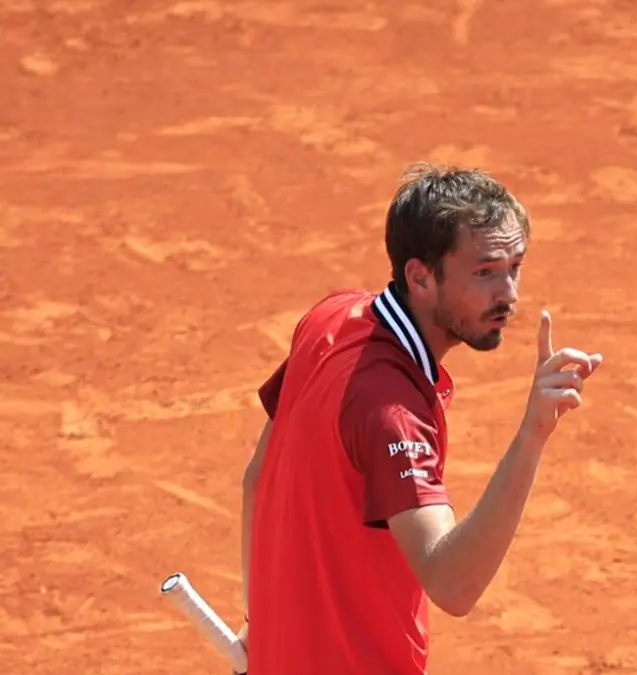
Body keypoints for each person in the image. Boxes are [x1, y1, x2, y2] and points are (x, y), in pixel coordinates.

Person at [234, 163, 604, 674]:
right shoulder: (392, 411)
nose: (509, 294)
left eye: (514, 266)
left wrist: (262, 622)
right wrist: (533, 435)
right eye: (484, 272)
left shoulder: (329, 319)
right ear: (420, 277)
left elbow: (257, 480)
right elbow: (452, 583)